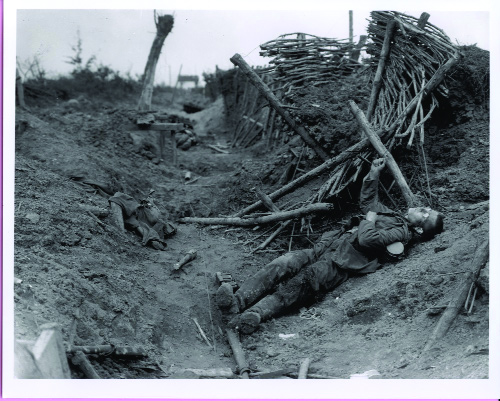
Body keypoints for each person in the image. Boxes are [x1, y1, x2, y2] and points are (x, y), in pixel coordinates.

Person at [216, 158, 444, 334]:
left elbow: (368, 240)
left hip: (340, 263)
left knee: (298, 284)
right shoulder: (396, 218)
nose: (422, 208)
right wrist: (374, 174)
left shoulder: (402, 234)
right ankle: (237, 301)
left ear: (420, 230)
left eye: (425, 214)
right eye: (426, 208)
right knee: (283, 262)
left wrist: (369, 220)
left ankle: (254, 315)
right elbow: (368, 203)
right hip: (328, 245)